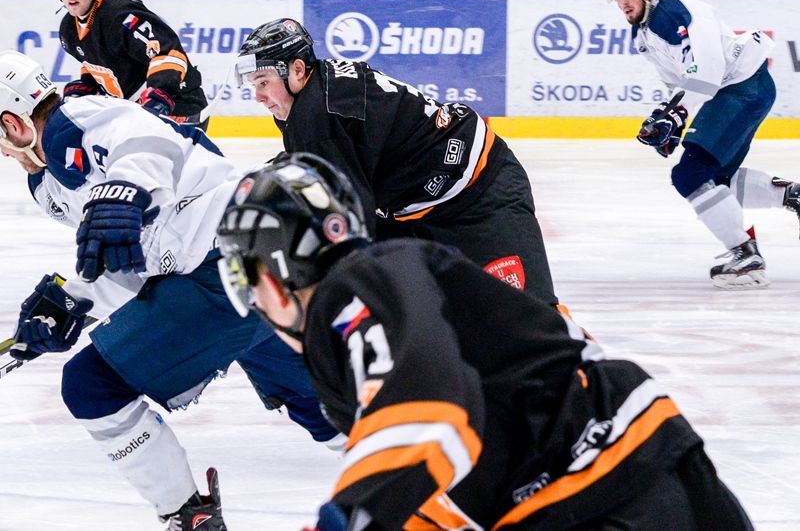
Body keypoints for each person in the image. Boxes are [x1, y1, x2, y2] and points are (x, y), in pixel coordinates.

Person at [216, 152, 756, 531]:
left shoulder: (356, 286)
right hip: (638, 455)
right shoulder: (393, 284)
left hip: (592, 490)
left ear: (272, 272)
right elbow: (447, 453)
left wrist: (346, 519)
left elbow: (433, 411)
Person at [0, 50, 340, 530]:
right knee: (320, 401)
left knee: (91, 386)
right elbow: (131, 260)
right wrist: (72, 303)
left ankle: (190, 519)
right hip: (258, 252)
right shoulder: (55, 183)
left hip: (228, 259)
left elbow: (145, 138)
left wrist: (124, 188)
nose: (4, 153)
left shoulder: (74, 120)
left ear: (15, 123)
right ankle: (421, 482)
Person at [234, 18, 559, 306]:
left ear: (297, 70)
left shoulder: (316, 113)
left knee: (530, 318)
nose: (259, 96)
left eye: (263, 82)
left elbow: (347, 212)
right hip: (425, 210)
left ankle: (578, 374)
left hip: (483, 197)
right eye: (254, 86)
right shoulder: (315, 94)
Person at [604, 0, 799, 288]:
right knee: (713, 181)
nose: (622, 1)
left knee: (690, 174)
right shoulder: (644, 33)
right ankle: (793, 196)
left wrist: (675, 115)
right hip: (743, 89)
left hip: (742, 88)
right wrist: (671, 119)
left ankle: (745, 255)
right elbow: (681, 82)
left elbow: (706, 73)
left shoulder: (675, 14)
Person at [47, 0, 210, 127]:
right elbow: (99, 62)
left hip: (179, 107)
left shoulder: (120, 15)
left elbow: (167, 53)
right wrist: (88, 87)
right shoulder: (68, 29)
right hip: (135, 115)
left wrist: (158, 98)